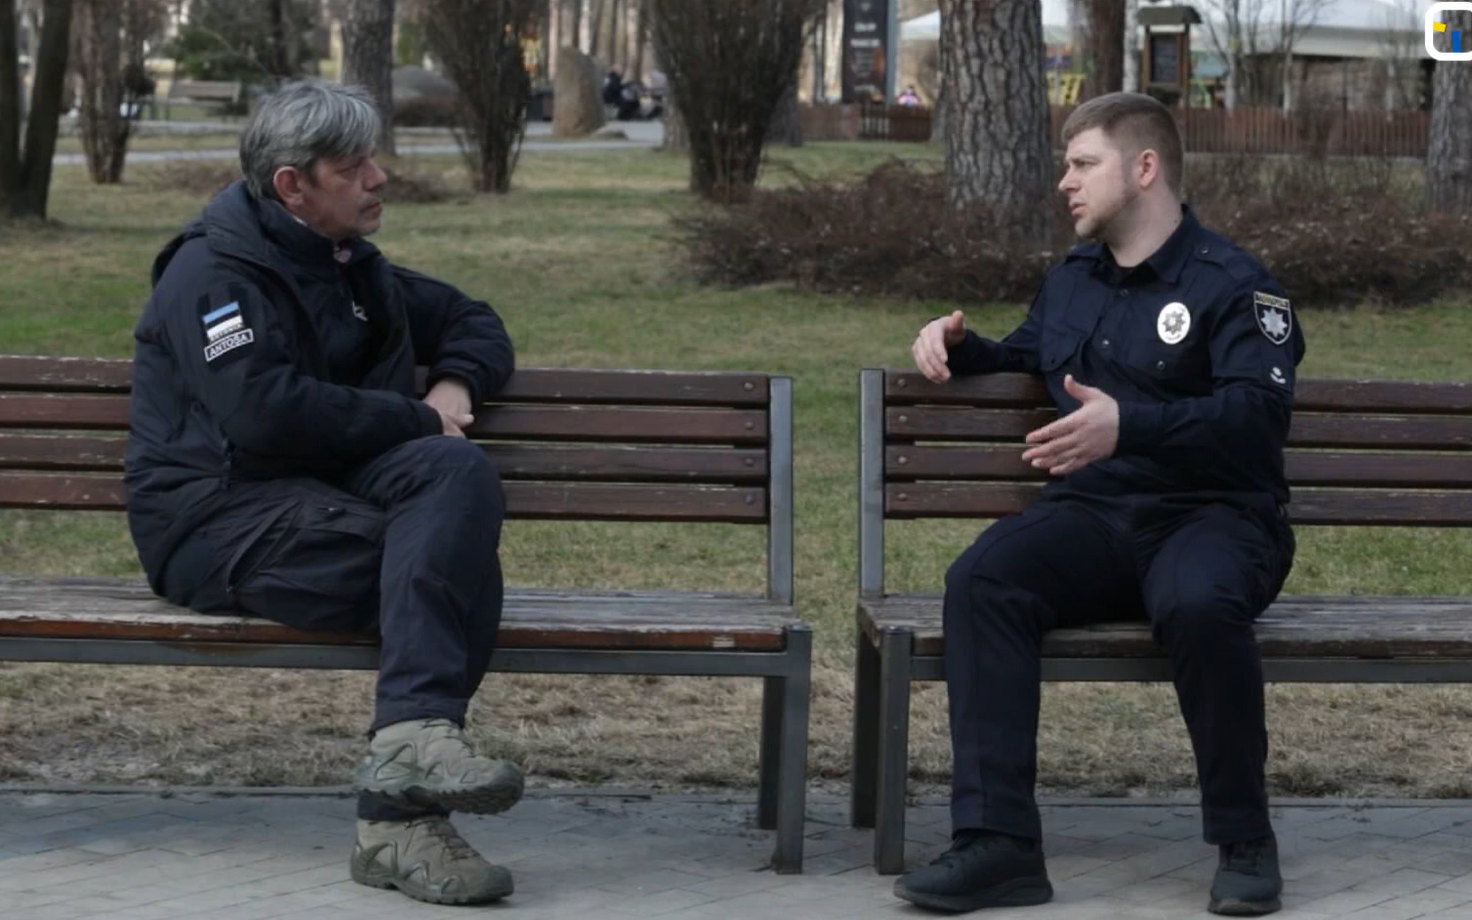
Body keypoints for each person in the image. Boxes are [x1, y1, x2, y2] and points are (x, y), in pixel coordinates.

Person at [894, 91, 1304, 917]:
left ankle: (1245, 840)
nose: (1064, 183)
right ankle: (998, 845)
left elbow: (1255, 421)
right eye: (1066, 165)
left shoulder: (1235, 286)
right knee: (985, 580)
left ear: (1144, 168)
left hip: (1214, 517)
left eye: (1083, 165)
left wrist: (1132, 426)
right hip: (1098, 518)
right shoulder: (1075, 279)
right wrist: (959, 347)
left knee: (1194, 602)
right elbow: (1030, 352)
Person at [124, 79, 521, 907]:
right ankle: (398, 822)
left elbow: (474, 320)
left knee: (455, 481)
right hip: (215, 520)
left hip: (318, 500)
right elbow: (260, 412)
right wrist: (410, 416)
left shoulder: (348, 266)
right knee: (447, 571)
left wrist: (451, 386)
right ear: (292, 186)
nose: (378, 177)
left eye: (374, 158)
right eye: (354, 166)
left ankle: (406, 761)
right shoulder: (211, 274)